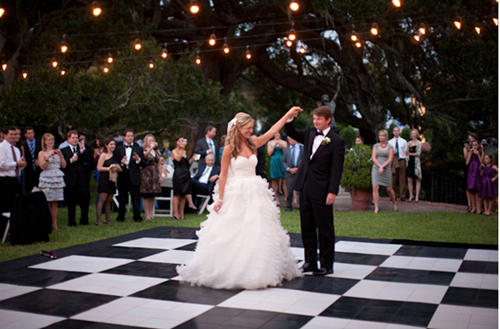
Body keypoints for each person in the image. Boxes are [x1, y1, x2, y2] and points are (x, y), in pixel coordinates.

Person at [177, 108, 303, 290]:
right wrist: (220, 199)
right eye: (248, 128)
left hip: (256, 191)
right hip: (236, 192)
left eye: (252, 128)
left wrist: (287, 114)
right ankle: (233, 269)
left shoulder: (253, 143)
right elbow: (223, 176)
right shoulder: (228, 149)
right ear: (238, 128)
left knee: (259, 230)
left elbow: (271, 130)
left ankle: (260, 269)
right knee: (235, 231)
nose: (251, 131)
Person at [285, 106, 345, 276]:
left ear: (328, 120)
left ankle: (327, 264)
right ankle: (310, 261)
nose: (315, 121)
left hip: (323, 189)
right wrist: (290, 118)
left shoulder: (337, 141)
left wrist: (332, 191)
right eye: (314, 118)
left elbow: (336, 169)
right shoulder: (310, 132)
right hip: (305, 186)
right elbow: (292, 132)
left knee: (325, 228)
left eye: (319, 118)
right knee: (307, 226)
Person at [114, 129, 149, 222]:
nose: (130, 138)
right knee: (122, 198)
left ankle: (137, 216)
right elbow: (114, 161)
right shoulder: (118, 149)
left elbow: (145, 163)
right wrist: (121, 163)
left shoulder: (138, 148)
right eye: (128, 136)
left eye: (132, 136)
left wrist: (138, 160)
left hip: (135, 176)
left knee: (136, 198)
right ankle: (121, 217)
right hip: (123, 176)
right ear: (124, 137)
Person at [61, 130, 92, 226]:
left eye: (76, 138)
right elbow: (62, 165)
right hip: (70, 179)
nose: (75, 140)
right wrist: (71, 160)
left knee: (85, 199)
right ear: (68, 139)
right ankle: (71, 221)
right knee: (71, 201)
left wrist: (82, 150)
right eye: (73, 138)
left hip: (82, 179)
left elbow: (89, 161)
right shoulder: (64, 150)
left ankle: (84, 220)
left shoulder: (83, 148)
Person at [38, 133, 66, 230]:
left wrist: (61, 156)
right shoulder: (41, 153)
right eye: (49, 140)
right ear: (45, 141)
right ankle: (46, 223)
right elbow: (42, 166)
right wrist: (48, 156)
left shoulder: (57, 151)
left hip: (57, 176)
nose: (51, 142)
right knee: (47, 202)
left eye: (52, 140)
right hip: (47, 177)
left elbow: (64, 165)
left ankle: (54, 224)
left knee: (55, 203)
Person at [0, 126, 26, 228]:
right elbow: (2, 164)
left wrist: (21, 165)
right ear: (5, 135)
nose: (13, 136)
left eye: (15, 134)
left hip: (14, 180)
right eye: (11, 134)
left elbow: (18, 167)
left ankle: (12, 229)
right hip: (4, 181)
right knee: (4, 206)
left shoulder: (16, 149)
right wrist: (16, 164)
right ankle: (2, 230)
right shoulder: (1, 147)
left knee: (15, 206)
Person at [371, 129, 397, 213]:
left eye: (382, 136)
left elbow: (390, 159)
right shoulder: (375, 146)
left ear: (386, 137)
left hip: (386, 168)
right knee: (375, 186)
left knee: (389, 188)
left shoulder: (390, 147)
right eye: (380, 136)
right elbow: (373, 158)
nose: (381, 137)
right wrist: (379, 166)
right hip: (376, 168)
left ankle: (394, 203)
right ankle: (376, 207)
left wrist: (383, 166)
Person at [172, 136, 197, 219]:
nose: (181, 142)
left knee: (183, 195)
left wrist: (192, 159)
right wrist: (182, 149)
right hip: (178, 175)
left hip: (186, 174)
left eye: (182, 141)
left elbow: (185, 164)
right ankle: (175, 213)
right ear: (176, 142)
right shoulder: (174, 151)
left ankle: (181, 214)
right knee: (177, 194)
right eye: (179, 141)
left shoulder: (185, 151)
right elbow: (178, 160)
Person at [96, 138, 118, 225]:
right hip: (104, 178)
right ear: (106, 145)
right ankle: (98, 220)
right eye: (111, 144)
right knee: (102, 199)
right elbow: (99, 168)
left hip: (112, 179)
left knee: (109, 200)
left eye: (114, 144)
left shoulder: (114, 155)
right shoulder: (103, 155)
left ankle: (107, 219)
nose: (113, 146)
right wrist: (108, 168)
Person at [140, 134, 162, 220]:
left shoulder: (157, 152)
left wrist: (160, 176)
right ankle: (146, 214)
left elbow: (159, 164)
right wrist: (150, 148)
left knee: (153, 194)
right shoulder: (144, 150)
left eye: (152, 140)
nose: (151, 142)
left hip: (155, 174)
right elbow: (145, 156)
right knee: (146, 194)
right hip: (146, 174)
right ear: (146, 142)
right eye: (149, 141)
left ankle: (151, 213)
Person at [282, 136, 303, 211]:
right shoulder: (286, 149)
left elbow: (304, 160)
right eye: (290, 139)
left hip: (300, 172)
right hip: (289, 173)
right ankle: (288, 206)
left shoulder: (302, 148)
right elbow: (283, 161)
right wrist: (289, 169)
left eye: (293, 138)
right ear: (288, 140)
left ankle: (302, 206)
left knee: (301, 191)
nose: (292, 140)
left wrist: (299, 169)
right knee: (289, 190)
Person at [268, 132, 287, 206]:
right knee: (274, 180)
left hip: (281, 160)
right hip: (274, 161)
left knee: (284, 179)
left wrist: (282, 147)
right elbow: (269, 153)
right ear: (273, 135)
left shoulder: (284, 142)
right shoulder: (270, 142)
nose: (277, 135)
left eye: (278, 134)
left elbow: (286, 153)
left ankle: (286, 197)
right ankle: (275, 198)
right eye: (276, 134)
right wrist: (273, 146)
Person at [388, 126, 408, 201]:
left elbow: (406, 153)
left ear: (399, 132)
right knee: (393, 178)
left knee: (402, 178)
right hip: (394, 159)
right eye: (395, 131)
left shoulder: (404, 141)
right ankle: (393, 195)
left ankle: (402, 195)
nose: (396, 132)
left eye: (397, 131)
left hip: (401, 159)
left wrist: (406, 162)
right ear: (393, 132)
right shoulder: (390, 142)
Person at [463, 132, 481, 212]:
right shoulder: (467, 148)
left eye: (472, 139)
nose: (470, 140)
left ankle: (478, 207)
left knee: (476, 187)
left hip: (477, 167)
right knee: (469, 187)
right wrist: (468, 149)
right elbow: (466, 158)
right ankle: (470, 205)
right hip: (469, 167)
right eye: (469, 139)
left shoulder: (479, 148)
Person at [466, 139, 484, 214]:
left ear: (479, 145)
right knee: (472, 189)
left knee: (477, 189)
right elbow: (467, 162)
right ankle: (473, 207)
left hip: (478, 170)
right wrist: (470, 154)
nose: (474, 146)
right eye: (473, 145)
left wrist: (478, 154)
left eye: (476, 145)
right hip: (471, 170)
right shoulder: (470, 152)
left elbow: (482, 162)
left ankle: (478, 208)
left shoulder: (481, 152)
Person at [23, 126, 42, 193]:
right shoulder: (23, 145)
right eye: (29, 133)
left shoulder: (40, 143)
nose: (31, 135)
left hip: (38, 170)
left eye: (32, 133)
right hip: (27, 171)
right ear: (25, 135)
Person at [406, 129, 422, 202]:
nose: (413, 135)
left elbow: (418, 153)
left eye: (414, 133)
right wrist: (408, 147)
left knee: (417, 179)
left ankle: (417, 196)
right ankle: (411, 195)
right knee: (409, 179)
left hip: (416, 163)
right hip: (410, 162)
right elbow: (406, 153)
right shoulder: (409, 143)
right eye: (412, 133)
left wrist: (410, 154)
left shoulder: (419, 143)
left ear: (416, 134)